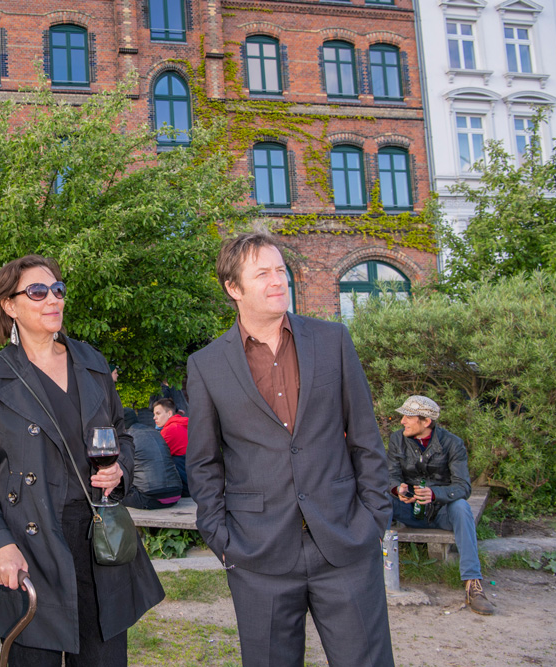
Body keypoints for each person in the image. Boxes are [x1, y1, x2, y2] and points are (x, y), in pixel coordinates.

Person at [186, 232, 394, 666]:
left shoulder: (332, 340)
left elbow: (365, 437)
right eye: (263, 273)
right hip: (257, 554)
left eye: (280, 270)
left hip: (346, 541)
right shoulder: (206, 365)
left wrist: (373, 517)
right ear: (233, 287)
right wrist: (221, 538)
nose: (278, 280)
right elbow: (204, 462)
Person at [0, 255, 163, 666]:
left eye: (58, 289)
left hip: (98, 541)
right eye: (38, 292)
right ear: (10, 305)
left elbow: (121, 433)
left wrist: (119, 468)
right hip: (30, 545)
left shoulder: (92, 362)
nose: (53, 299)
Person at [388, 395, 495, 615]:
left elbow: (463, 487)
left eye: (408, 417)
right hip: (408, 509)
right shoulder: (397, 439)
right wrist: (398, 490)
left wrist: (434, 494)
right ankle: (372, 575)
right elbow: (389, 476)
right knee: (378, 499)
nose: (402, 421)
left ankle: (473, 584)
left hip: (441, 512)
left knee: (462, 507)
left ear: (426, 421)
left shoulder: (452, 443)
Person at [121, 408, 183, 510]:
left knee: (111, 493)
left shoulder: (127, 437)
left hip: (150, 497)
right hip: (175, 493)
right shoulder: (154, 432)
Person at [152, 398, 190, 496]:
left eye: (158, 414)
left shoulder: (170, 429)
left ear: (169, 414)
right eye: (154, 414)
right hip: (196, 480)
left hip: (185, 485)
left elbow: (155, 457)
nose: (154, 418)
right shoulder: (185, 425)